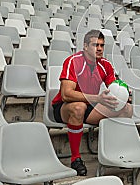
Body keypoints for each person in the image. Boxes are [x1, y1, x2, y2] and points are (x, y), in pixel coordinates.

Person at [52, 29, 133, 176]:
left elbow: (114, 86)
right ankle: (75, 158)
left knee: (127, 109)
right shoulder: (73, 62)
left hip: (89, 106)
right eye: (95, 45)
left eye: (102, 45)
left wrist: (124, 93)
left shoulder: (105, 65)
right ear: (85, 46)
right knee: (78, 107)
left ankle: (116, 152)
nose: (100, 49)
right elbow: (66, 94)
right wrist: (96, 98)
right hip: (64, 108)